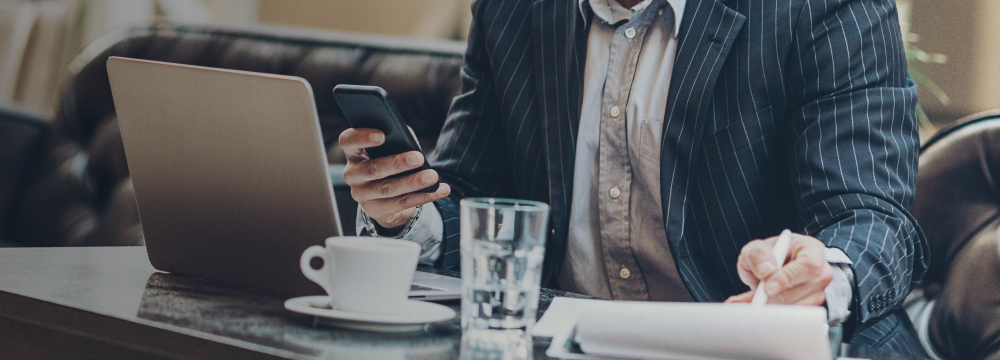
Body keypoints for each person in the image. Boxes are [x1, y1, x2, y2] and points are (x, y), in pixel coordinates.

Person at [341, 0, 927, 353]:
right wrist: (406, 212)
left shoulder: (824, 6)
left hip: (749, 348)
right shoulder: (512, 10)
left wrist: (823, 278)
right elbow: (473, 197)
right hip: (567, 344)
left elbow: (874, 218)